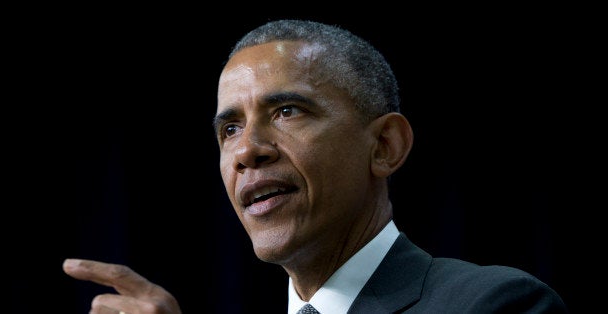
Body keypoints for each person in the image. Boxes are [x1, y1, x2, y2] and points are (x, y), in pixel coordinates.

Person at [63, 19, 569, 313]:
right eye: (229, 129)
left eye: (287, 111)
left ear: (385, 146)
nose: (247, 151)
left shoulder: (493, 305)